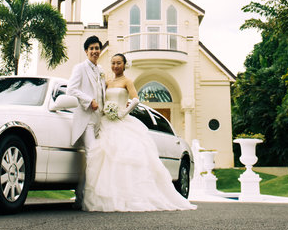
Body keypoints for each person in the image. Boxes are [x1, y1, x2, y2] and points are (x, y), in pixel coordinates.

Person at [80, 52, 196, 212]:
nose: (115, 66)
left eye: (118, 63)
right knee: (105, 157)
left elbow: (135, 99)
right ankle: (108, 195)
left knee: (125, 156)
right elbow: (101, 99)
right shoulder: (107, 82)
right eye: (113, 63)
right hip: (107, 122)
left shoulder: (127, 81)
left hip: (121, 121)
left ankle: (130, 196)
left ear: (124, 64)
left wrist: (122, 112)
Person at [67, 35, 106, 208]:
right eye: (91, 49)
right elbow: (71, 89)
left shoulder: (102, 70)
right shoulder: (80, 68)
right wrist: (89, 100)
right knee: (93, 155)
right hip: (86, 120)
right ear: (86, 51)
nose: (95, 51)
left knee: (99, 157)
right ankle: (88, 199)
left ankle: (82, 194)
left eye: (97, 48)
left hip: (100, 121)